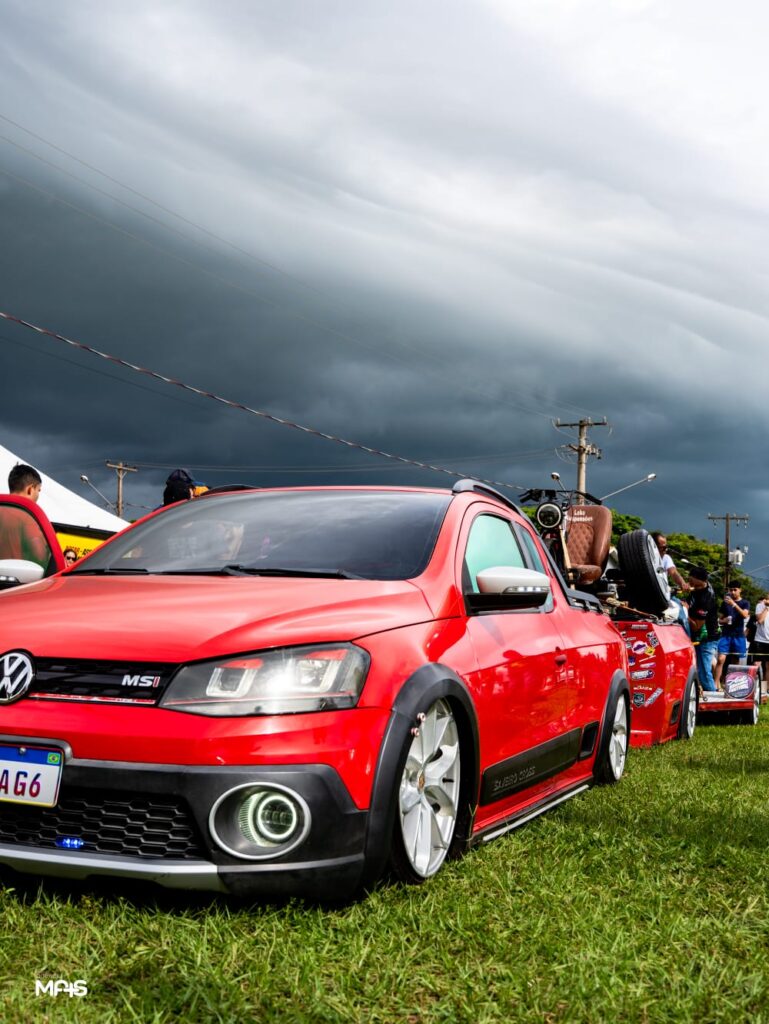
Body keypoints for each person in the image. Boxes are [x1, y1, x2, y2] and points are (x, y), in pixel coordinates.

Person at [0, 463, 52, 568]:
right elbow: (40, 555)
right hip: (18, 582)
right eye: (38, 490)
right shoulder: (27, 516)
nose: (38, 495)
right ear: (30, 489)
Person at [686, 566, 720, 694]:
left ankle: (712, 698)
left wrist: (684, 612)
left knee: (704, 670)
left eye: (691, 580)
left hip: (708, 637)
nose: (689, 582)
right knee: (698, 669)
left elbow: (696, 626)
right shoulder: (697, 589)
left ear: (700, 580)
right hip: (697, 637)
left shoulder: (706, 597)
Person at [714, 582, 751, 689]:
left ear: (740, 590)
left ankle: (732, 685)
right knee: (721, 659)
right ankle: (716, 685)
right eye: (731, 590)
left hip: (738, 635)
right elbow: (720, 620)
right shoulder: (725, 603)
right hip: (726, 634)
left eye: (735, 589)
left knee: (735, 660)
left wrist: (734, 605)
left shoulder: (745, 602)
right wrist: (723, 620)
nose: (733, 592)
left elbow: (745, 615)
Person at [652, 532, 690, 634]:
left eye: (666, 547)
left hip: (664, 596)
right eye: (663, 548)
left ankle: (688, 643)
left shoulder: (666, 558)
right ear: (653, 546)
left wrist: (682, 583)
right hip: (646, 595)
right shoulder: (643, 558)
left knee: (682, 617)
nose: (666, 550)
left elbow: (673, 572)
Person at [753, 590, 769, 690]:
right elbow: (760, 620)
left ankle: (764, 690)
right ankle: (754, 688)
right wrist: (767, 608)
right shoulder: (760, 606)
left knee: (768, 667)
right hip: (759, 640)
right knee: (756, 665)